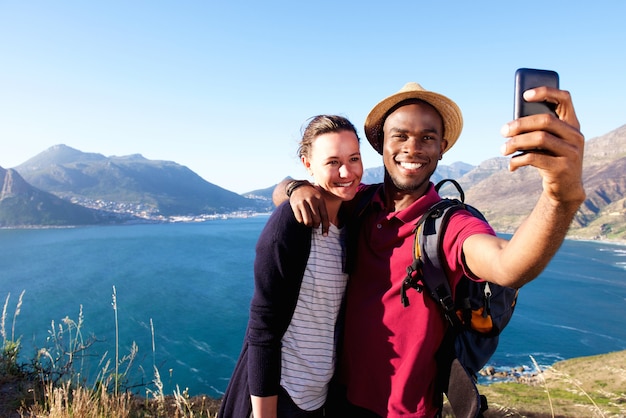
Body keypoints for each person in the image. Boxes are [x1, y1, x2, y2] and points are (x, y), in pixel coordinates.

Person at [274, 82, 585, 417]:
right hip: (337, 400)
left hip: (407, 412)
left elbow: (508, 265)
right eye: (401, 135)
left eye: (427, 137)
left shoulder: (449, 225)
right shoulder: (359, 202)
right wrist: (295, 188)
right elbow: (281, 194)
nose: (413, 147)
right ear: (380, 144)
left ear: (442, 147)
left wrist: (559, 198)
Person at [218, 115, 364, 418]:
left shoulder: (352, 220)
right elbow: (263, 330)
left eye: (354, 158)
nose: (346, 171)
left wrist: (291, 186)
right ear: (308, 164)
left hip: (320, 398)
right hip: (281, 397)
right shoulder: (292, 223)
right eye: (332, 162)